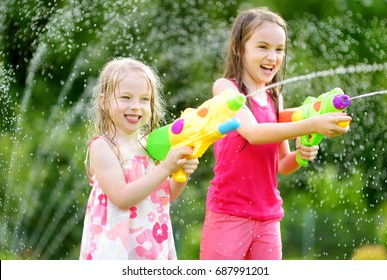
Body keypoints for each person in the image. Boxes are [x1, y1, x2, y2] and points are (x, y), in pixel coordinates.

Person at [200, 7, 352, 260]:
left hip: (269, 217)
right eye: (263, 47)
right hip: (229, 213)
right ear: (239, 48)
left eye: (279, 49)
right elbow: (254, 133)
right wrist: (313, 124)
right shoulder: (226, 88)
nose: (272, 56)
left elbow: (282, 162)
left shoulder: (274, 96)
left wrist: (302, 156)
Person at [79, 57, 199, 260]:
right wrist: (166, 167)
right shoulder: (103, 146)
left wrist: (181, 172)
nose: (136, 106)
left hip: (151, 243)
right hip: (117, 249)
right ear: (103, 101)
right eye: (125, 97)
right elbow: (122, 198)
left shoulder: (149, 145)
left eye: (144, 99)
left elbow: (165, 195)